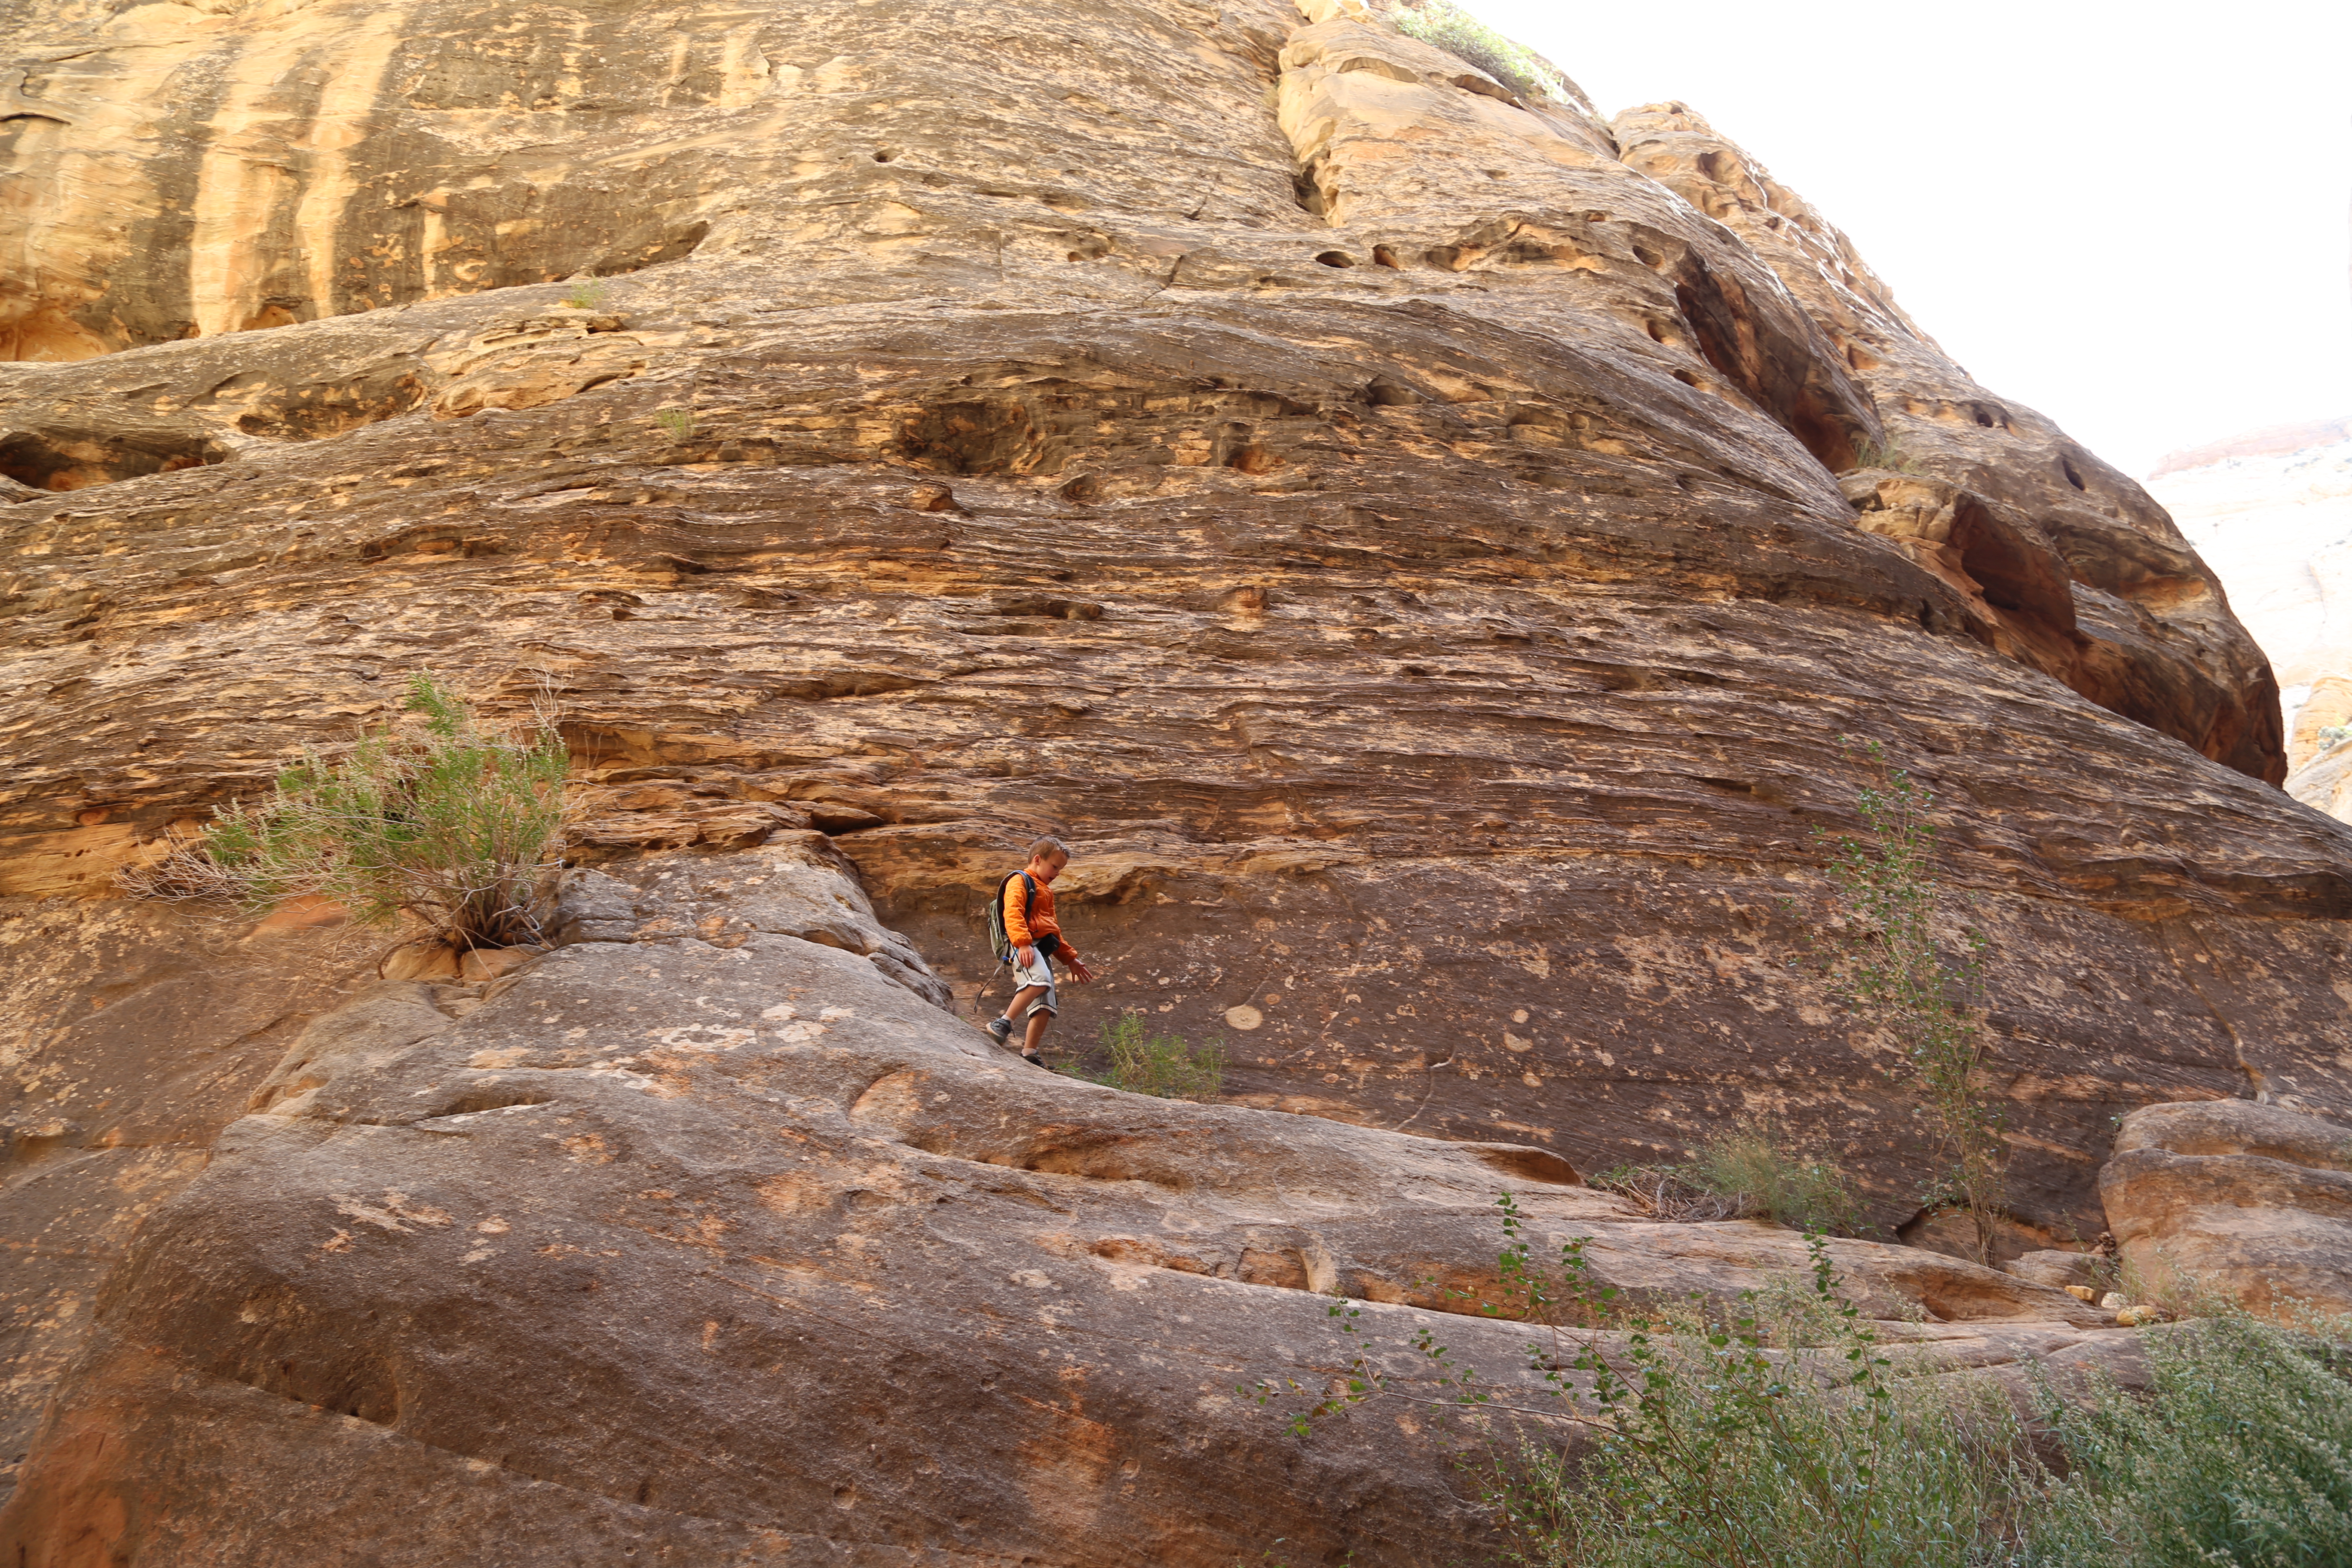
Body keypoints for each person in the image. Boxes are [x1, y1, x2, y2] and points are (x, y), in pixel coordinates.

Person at [986, 836, 1093, 1065]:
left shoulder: (1045, 891)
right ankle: (1003, 1023)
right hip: (1022, 946)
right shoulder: (1019, 881)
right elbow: (1013, 913)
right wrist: (1023, 942)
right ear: (1038, 859)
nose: (1057, 873)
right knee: (1039, 981)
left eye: (1061, 869)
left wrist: (1070, 959)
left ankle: (1030, 1052)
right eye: (1055, 867)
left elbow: (1053, 930)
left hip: (1039, 949)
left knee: (1046, 1003)